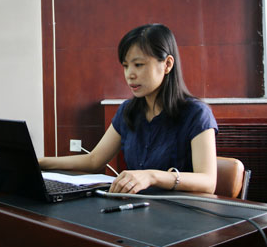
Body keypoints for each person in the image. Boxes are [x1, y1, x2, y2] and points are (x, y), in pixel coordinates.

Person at [39, 24, 218, 194]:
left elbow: (208, 182)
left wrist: (152, 176)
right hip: (136, 206)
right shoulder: (128, 111)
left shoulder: (196, 113)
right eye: (125, 66)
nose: (129, 74)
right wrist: (39, 162)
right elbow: (94, 160)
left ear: (167, 64)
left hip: (179, 210)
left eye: (138, 65)